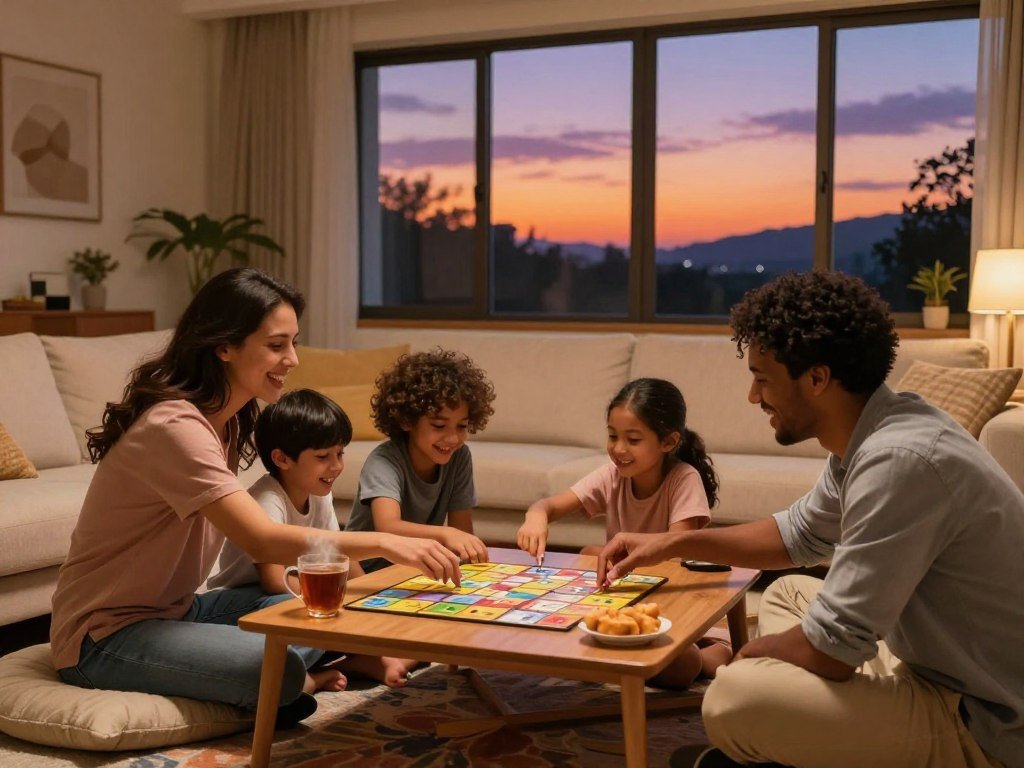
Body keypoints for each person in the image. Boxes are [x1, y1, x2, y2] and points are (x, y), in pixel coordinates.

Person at [598, 271, 1024, 768]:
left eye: (762, 379)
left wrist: (756, 655)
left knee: (734, 696)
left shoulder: (900, 461)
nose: (754, 397)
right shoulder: (874, 433)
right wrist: (669, 546)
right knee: (788, 592)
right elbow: (796, 535)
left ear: (817, 379)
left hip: (982, 716)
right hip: (932, 658)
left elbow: (831, 654)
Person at [50, 268, 461, 726]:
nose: (293, 360)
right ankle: (301, 679)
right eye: (276, 345)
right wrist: (387, 542)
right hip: (105, 636)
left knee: (331, 610)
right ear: (224, 346)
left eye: (294, 343)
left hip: (181, 610)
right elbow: (263, 540)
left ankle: (318, 663)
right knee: (276, 668)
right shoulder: (175, 427)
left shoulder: (223, 421)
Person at [517, 377, 731, 685]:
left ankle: (714, 652)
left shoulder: (684, 479)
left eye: (633, 439)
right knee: (565, 618)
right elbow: (549, 506)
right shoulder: (611, 476)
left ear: (668, 442)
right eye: (612, 436)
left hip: (675, 595)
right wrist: (536, 515)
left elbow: (675, 556)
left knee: (685, 666)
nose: (618, 449)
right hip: (628, 598)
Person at [206, 388, 417, 688]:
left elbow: (339, 557)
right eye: (323, 457)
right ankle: (308, 678)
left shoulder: (318, 494)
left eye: (340, 453)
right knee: (318, 613)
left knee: (369, 616)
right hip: (244, 600)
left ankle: (360, 659)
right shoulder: (268, 499)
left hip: (289, 594)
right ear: (282, 459)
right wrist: (335, 599)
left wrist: (371, 601)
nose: (336, 466)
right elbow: (273, 580)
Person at [345, 348, 496, 573]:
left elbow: (462, 530)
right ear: (407, 420)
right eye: (438, 426)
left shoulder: (459, 456)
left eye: (462, 426)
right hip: (367, 572)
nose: (453, 438)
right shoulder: (384, 460)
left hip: (416, 570)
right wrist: (446, 534)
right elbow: (388, 527)